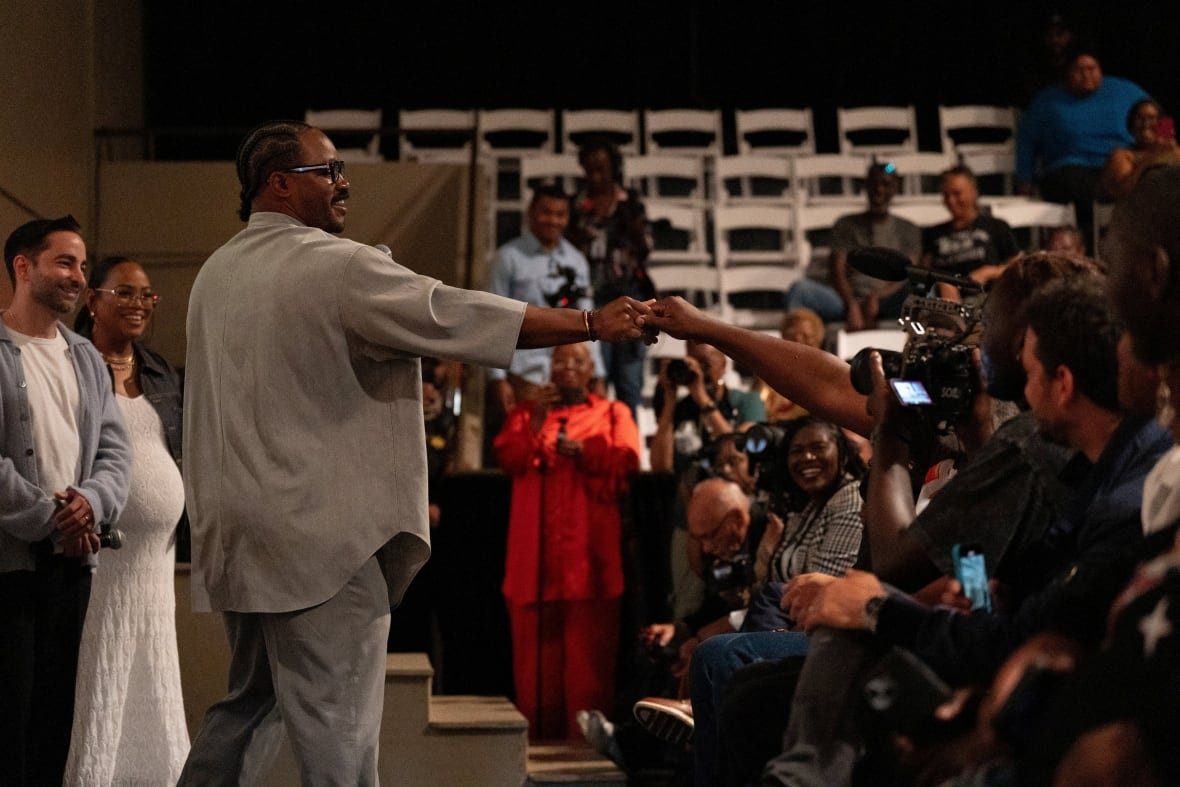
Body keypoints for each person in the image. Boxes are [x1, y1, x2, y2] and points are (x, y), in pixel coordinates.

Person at [177, 120, 655, 786]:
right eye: (329, 170)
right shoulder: (337, 264)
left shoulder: (216, 272)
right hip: (322, 543)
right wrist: (588, 322)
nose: (345, 182)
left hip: (241, 540)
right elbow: (453, 313)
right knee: (341, 744)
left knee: (249, 708)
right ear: (279, 184)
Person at [772, 275, 1170, 786]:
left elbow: (899, 569)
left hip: (1055, 717)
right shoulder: (1103, 466)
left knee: (831, 641)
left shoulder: (1102, 484)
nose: (1020, 388)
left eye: (1028, 371)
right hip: (1009, 671)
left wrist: (875, 606)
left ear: (1062, 384)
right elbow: (1003, 587)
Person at [0, 216, 132, 786]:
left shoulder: (84, 356)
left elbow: (114, 451)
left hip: (74, 564)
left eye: (82, 264)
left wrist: (91, 506)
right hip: (10, 566)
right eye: (65, 262)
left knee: (56, 722)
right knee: (8, 722)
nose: (80, 276)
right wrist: (55, 518)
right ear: (23, 267)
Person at [63, 256, 189, 784]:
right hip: (98, 558)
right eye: (125, 293)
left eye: (147, 296)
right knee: (99, 681)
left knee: (155, 683)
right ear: (92, 300)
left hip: (155, 563)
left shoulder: (160, 371)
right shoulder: (70, 365)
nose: (139, 305)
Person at [493, 342, 640, 740]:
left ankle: (587, 763)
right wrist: (537, 416)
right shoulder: (527, 413)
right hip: (534, 565)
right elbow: (509, 458)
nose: (567, 366)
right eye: (560, 359)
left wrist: (585, 450)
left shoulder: (612, 413)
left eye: (577, 360)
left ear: (591, 369)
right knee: (533, 674)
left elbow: (628, 460)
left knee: (587, 674)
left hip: (588, 564)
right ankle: (534, 760)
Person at [486, 184, 605, 417]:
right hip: (524, 374)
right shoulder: (508, 258)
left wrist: (598, 374)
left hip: (570, 376)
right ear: (531, 212)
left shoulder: (576, 261)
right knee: (525, 444)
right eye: (546, 212)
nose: (553, 220)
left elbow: (590, 320)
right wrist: (497, 378)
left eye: (560, 214)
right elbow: (492, 319)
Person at [1016, 46, 1150, 247]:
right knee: (1076, 185)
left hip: (1117, 166)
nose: (1086, 75)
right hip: (1070, 170)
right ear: (1067, 73)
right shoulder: (1047, 101)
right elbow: (1026, 140)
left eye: (1092, 69)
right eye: (1079, 70)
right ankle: (1088, 249)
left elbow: (1158, 115)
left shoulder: (1125, 91)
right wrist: (1024, 179)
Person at [568, 135, 654, 418]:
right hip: (591, 298)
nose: (595, 175)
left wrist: (633, 228)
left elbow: (646, 249)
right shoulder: (575, 206)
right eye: (590, 169)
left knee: (629, 380)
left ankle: (626, 449)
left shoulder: (631, 203)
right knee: (596, 378)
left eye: (601, 168)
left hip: (630, 295)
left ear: (614, 168)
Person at [783, 162, 922, 330]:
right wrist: (852, 304)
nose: (879, 190)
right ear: (866, 187)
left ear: (896, 188)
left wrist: (877, 297)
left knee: (923, 292)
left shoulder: (908, 229)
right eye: (874, 184)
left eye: (886, 184)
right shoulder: (846, 224)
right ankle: (793, 353)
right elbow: (837, 271)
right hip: (846, 299)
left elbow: (909, 273)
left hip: (889, 300)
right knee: (800, 291)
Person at [923, 165, 1021, 300]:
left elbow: (1018, 267)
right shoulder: (934, 233)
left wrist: (989, 272)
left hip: (989, 299)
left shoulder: (996, 226)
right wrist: (943, 282)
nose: (951, 201)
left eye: (957, 194)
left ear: (973, 192)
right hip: (946, 305)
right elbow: (922, 273)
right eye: (946, 195)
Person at [1098, 98, 1180, 201]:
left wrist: (1168, 146)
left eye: (1151, 118)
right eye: (1139, 118)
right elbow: (1120, 192)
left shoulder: (1173, 151)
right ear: (1131, 125)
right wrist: (1152, 156)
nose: (1145, 124)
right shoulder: (1123, 155)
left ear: (1161, 123)